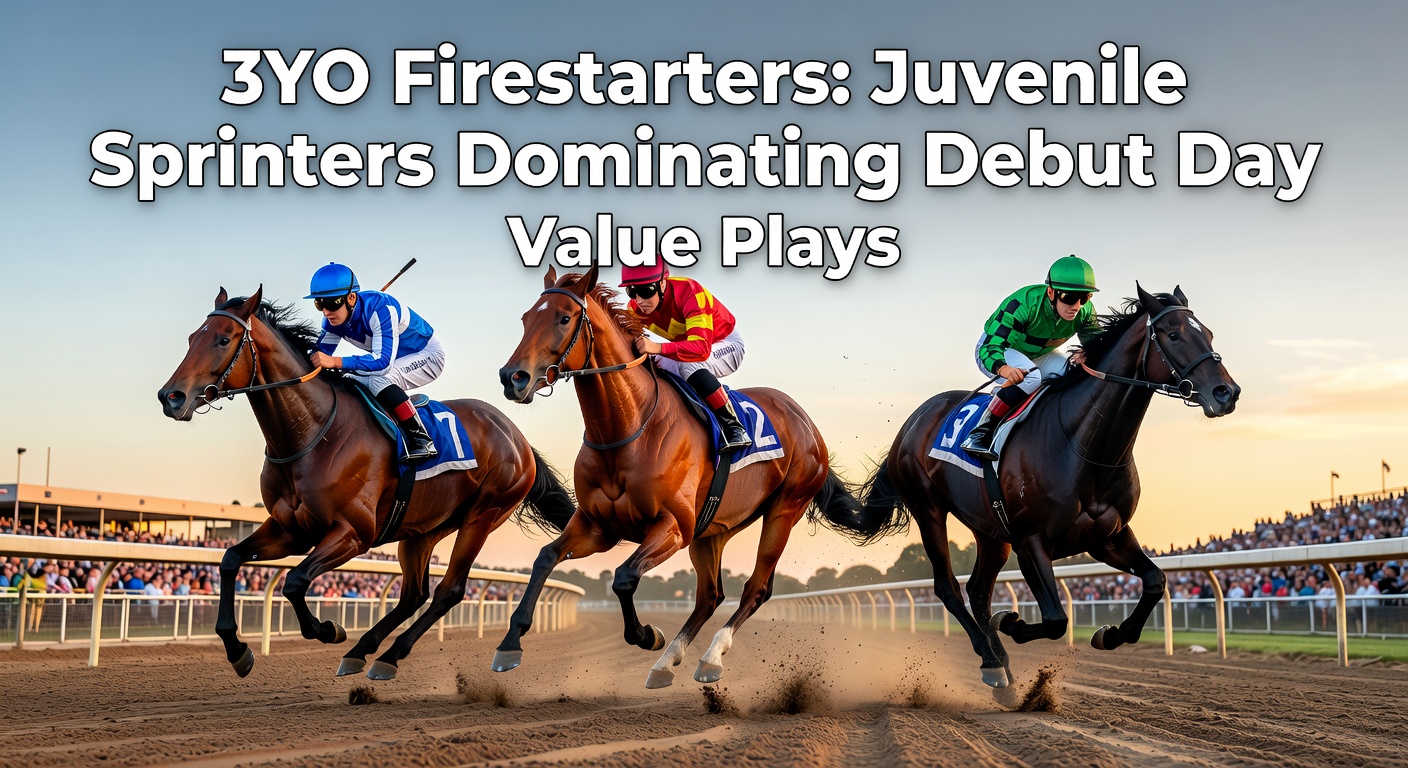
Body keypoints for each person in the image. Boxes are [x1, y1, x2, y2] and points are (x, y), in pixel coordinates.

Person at [961, 254, 1103, 459]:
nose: (1076, 306)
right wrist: (1004, 369)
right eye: (1069, 297)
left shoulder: (1085, 311)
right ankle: (980, 432)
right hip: (998, 350)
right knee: (1032, 377)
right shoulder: (1024, 303)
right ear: (1051, 292)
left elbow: (1096, 344)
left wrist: (1087, 354)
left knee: (1075, 374)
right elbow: (991, 347)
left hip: (1040, 356)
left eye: (1085, 297)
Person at [306, 262, 445, 461]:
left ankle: (422, 439)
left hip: (427, 355)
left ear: (351, 298)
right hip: (393, 358)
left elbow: (382, 362)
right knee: (346, 378)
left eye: (332, 303)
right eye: (319, 304)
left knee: (380, 380)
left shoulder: (381, 309)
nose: (326, 312)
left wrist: (336, 361)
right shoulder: (332, 321)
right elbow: (317, 357)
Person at [620, 263, 751, 452]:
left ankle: (734, 427)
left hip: (725, 344)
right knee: (656, 365)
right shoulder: (634, 309)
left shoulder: (690, 292)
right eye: (632, 292)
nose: (639, 300)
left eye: (646, 290)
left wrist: (656, 347)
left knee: (688, 365)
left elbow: (701, 349)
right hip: (689, 347)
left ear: (662, 284)